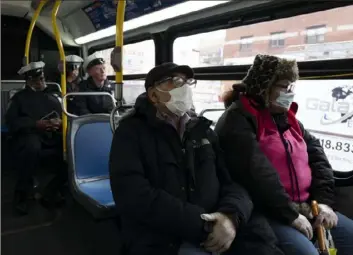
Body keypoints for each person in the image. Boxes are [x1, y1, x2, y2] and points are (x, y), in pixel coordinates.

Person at [109, 62, 285, 255]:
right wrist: (205, 226)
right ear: (153, 95)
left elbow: (231, 181)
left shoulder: (202, 131)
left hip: (220, 224)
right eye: (176, 82)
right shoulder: (130, 134)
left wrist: (230, 217)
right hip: (167, 236)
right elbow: (135, 196)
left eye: (187, 82)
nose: (184, 88)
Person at [215, 54, 353, 255]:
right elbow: (257, 174)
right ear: (264, 87)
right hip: (268, 210)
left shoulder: (288, 119)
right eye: (283, 86)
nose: (289, 93)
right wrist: (291, 215)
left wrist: (323, 203)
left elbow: (317, 158)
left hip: (308, 206)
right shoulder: (239, 119)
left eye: (291, 87)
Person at [5, 61, 66, 215]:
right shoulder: (19, 98)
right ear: (28, 80)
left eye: (42, 79)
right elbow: (12, 121)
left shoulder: (52, 97)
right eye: (37, 79)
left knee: (71, 149)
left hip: (51, 135)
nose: (41, 82)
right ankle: (22, 195)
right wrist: (35, 124)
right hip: (30, 135)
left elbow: (61, 116)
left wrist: (58, 123)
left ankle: (51, 191)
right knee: (31, 149)